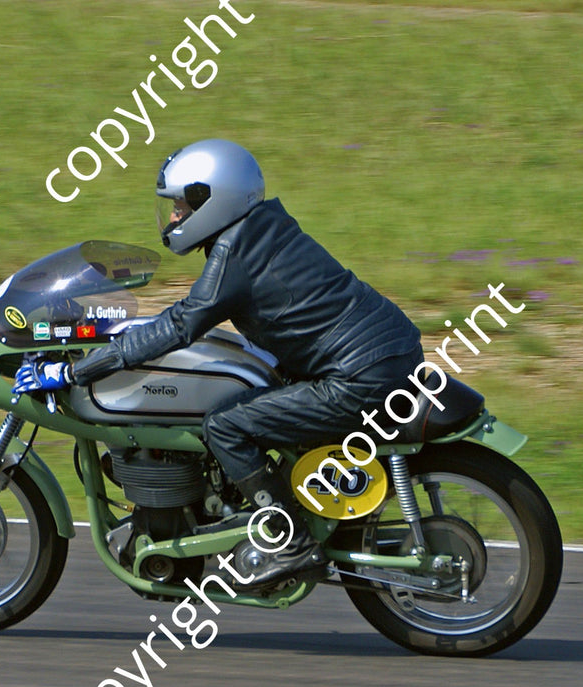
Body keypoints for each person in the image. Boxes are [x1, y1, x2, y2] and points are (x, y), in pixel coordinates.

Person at [22, 139, 425, 583]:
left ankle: (291, 542)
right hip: (386, 354)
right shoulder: (263, 229)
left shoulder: (236, 252)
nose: (174, 217)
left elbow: (181, 325)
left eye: (182, 206)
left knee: (225, 424)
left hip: (359, 376)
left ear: (216, 201)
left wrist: (78, 369)